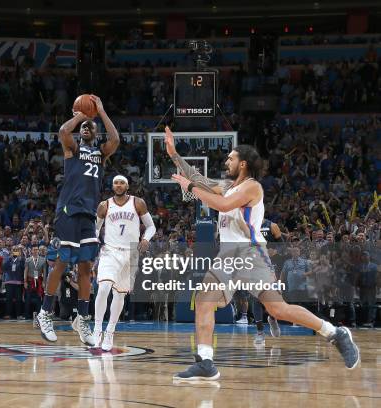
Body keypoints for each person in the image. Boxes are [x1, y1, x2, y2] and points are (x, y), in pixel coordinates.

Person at [165, 126, 360, 381]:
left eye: (231, 158)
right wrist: (174, 155)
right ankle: (205, 361)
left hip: (250, 253)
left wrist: (190, 186)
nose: (227, 161)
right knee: (203, 300)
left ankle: (335, 333)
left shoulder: (252, 187)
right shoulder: (227, 185)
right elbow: (199, 179)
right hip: (227, 254)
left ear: (243, 163)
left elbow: (221, 204)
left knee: (278, 309)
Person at [36, 95, 120, 345]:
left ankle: (82, 319)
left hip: (88, 214)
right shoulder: (72, 148)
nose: (85, 127)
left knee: (86, 269)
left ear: (96, 130)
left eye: (90, 125)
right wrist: (82, 114)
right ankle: (45, 313)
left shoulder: (101, 153)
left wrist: (101, 111)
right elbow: (63, 131)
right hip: (68, 211)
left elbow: (115, 139)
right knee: (62, 262)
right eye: (83, 125)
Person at [92, 175, 155, 351]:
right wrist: (94, 244)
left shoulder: (138, 203)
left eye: (121, 183)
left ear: (127, 185)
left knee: (120, 295)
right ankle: (97, 329)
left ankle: (110, 331)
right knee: (103, 288)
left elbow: (151, 227)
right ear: (112, 186)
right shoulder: (104, 205)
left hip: (130, 254)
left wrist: (146, 239)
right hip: (110, 251)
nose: (118, 185)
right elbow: (95, 229)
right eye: (115, 183)